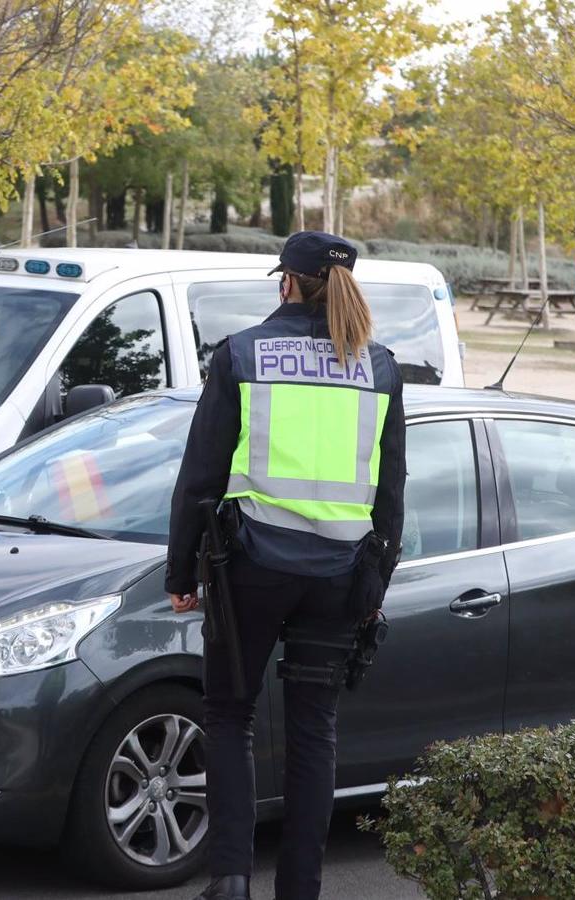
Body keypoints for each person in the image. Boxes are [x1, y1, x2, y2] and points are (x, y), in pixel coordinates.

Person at [165, 232, 406, 900]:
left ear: (288, 282)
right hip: (339, 573)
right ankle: (300, 889)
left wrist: (180, 575)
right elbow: (392, 495)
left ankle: (232, 882)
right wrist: (373, 587)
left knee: (229, 716)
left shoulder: (241, 354)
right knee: (312, 729)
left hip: (252, 568)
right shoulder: (381, 366)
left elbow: (200, 477)